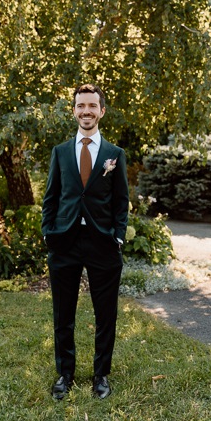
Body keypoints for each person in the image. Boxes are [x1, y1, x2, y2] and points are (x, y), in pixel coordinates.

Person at [41, 83, 130, 400]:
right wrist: (48, 232)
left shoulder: (114, 156)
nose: (86, 111)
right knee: (63, 314)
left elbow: (121, 202)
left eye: (92, 106)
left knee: (105, 315)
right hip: (64, 242)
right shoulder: (61, 152)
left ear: (101, 111)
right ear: (74, 110)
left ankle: (101, 376)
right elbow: (50, 197)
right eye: (81, 106)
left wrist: (117, 236)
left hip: (103, 243)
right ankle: (64, 374)